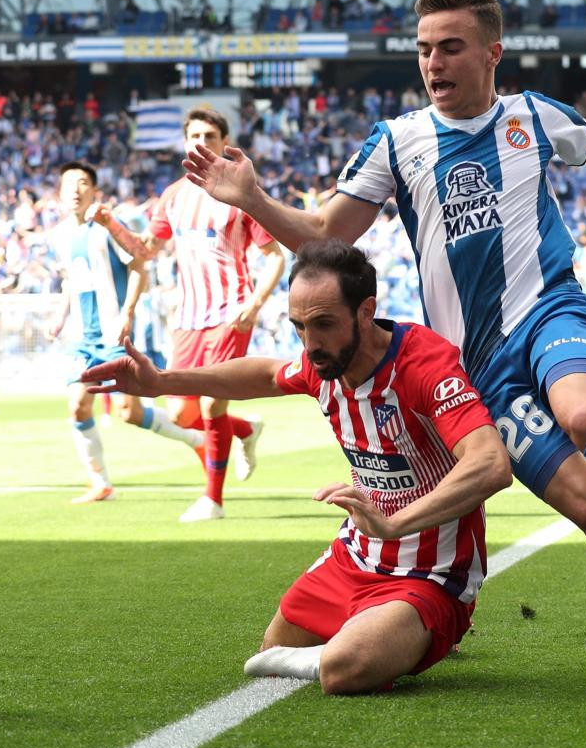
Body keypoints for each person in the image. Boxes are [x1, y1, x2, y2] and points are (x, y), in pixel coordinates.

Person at [179, 0, 586, 678]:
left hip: (550, 312)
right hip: (478, 369)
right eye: (424, 49)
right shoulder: (397, 141)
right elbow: (324, 235)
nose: (433, 62)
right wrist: (252, 198)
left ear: (492, 53)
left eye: (450, 47)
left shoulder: (533, 117)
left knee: (585, 414)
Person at [83, 240, 511, 694]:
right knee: (274, 647)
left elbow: (490, 464)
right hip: (358, 556)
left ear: (366, 312)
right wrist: (164, 382)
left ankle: (415, 630)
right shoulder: (322, 364)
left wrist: (394, 523)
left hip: (433, 572)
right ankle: (382, 633)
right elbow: (266, 374)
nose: (310, 344)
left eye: (324, 324)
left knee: (345, 670)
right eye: (299, 327)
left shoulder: (422, 363)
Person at [109, 108, 286, 522]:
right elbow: (145, 249)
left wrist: (255, 303)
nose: (201, 143)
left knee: (209, 408)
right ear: (185, 143)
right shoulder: (173, 196)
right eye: (194, 136)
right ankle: (245, 429)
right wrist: (108, 223)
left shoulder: (241, 194)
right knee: (180, 413)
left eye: (209, 136)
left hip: (230, 312)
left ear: (225, 143)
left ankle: (213, 501)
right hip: (187, 319)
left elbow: (275, 256)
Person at [47, 161, 203, 504]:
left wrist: (128, 312)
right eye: (69, 183)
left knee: (129, 413)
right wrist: (59, 318)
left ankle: (198, 442)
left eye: (83, 182)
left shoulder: (107, 228)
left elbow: (139, 266)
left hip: (115, 335)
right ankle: (101, 482)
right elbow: (71, 281)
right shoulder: (57, 236)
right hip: (83, 338)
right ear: (59, 192)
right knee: (77, 407)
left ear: (94, 191)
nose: (75, 189)